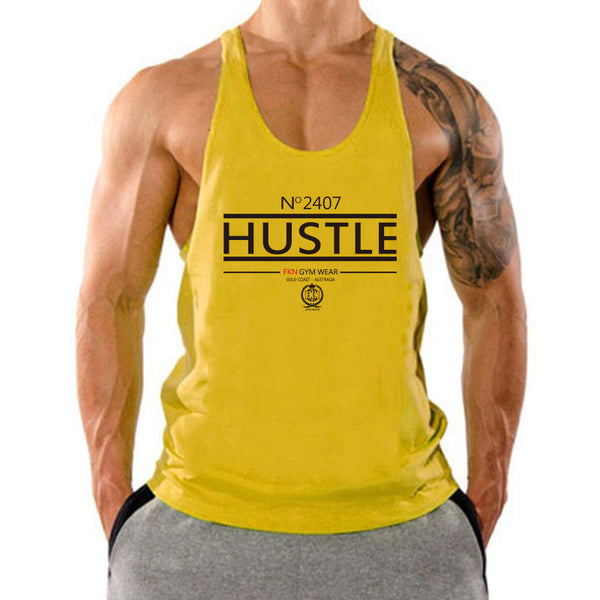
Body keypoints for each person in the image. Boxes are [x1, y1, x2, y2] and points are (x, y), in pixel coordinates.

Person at [75, 1, 527, 598]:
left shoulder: (441, 106)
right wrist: (116, 506)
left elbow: (494, 303)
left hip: (407, 537)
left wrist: (483, 500)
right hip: (192, 538)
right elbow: (110, 299)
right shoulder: (166, 99)